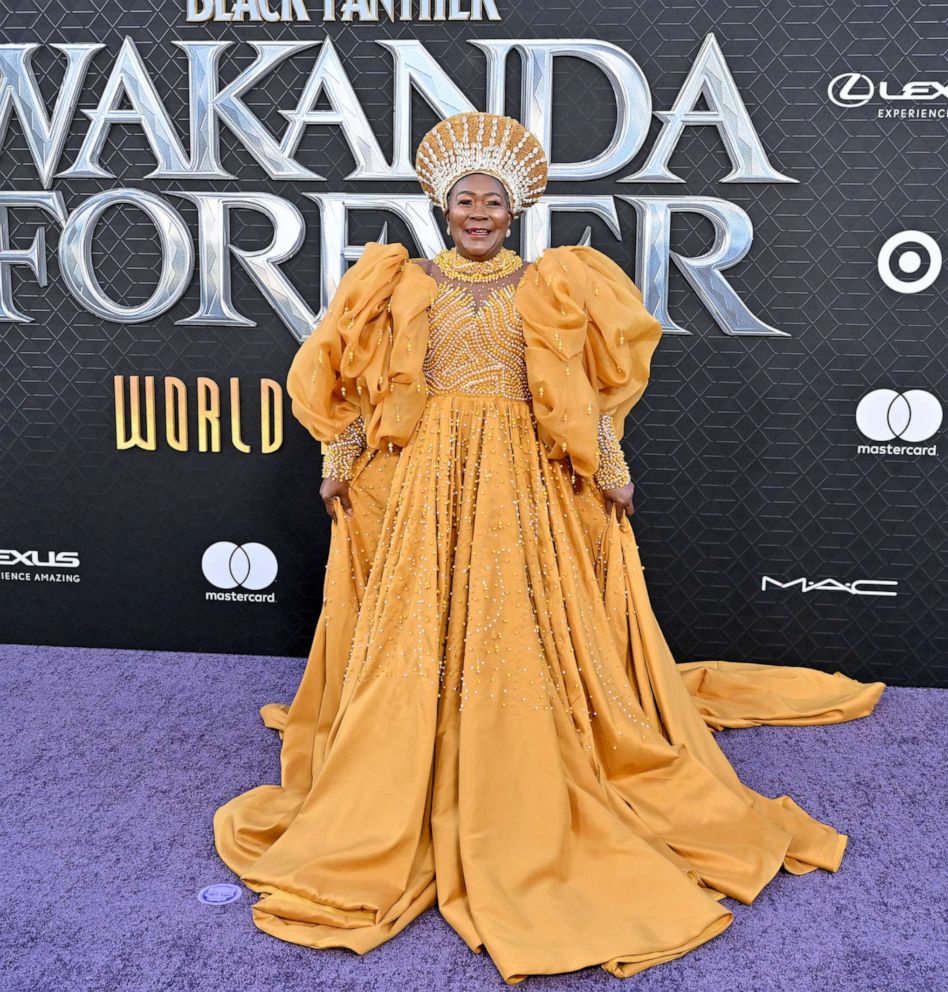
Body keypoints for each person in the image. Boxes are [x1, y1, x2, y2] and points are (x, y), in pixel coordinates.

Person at [213, 112, 886, 985]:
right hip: (424, 481)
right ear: (441, 206)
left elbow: (584, 394)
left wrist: (608, 465)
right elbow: (351, 375)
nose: (480, 211)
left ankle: (514, 764)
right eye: (466, 199)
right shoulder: (397, 279)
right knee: (419, 623)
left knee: (521, 624)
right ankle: (419, 752)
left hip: (522, 483)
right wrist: (340, 460)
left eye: (494, 199)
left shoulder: (553, 282)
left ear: (516, 209)